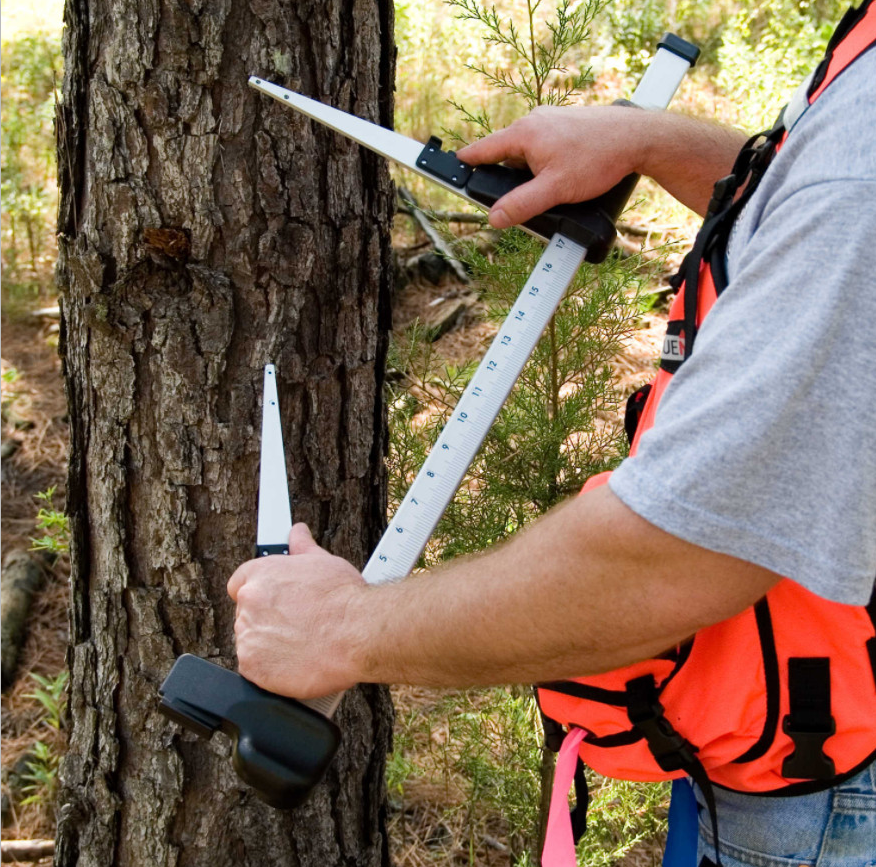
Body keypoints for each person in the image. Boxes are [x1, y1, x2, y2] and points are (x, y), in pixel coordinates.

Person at [228, 5, 876, 864]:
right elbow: (823, 217)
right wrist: (657, 144)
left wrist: (343, 629)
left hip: (825, 795)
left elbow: (684, 551)